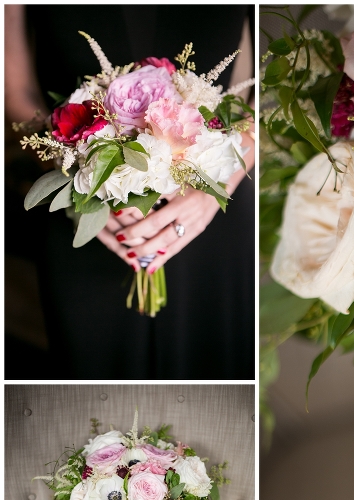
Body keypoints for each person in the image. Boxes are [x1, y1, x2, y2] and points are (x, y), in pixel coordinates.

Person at [5, 5, 255, 379]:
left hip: (211, 218)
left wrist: (215, 187)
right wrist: (83, 173)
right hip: (85, 224)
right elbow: (17, 92)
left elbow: (264, 92)